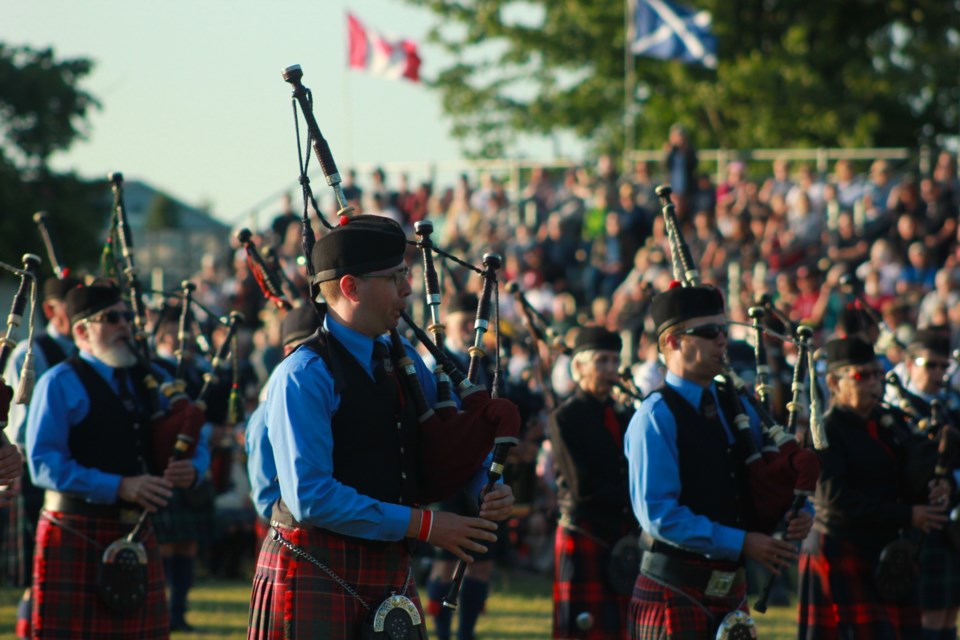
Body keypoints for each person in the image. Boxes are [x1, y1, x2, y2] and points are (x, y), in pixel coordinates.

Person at [247, 215, 516, 639]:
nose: (408, 289)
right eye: (394, 278)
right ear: (351, 287)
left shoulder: (402, 358)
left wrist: (484, 481)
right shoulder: (304, 375)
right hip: (315, 564)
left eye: (406, 274)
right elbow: (311, 499)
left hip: (388, 565)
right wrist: (424, 525)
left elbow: (438, 435)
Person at [624, 284, 812, 639]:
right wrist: (742, 542)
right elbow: (658, 514)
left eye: (724, 330)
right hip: (673, 589)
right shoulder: (654, 417)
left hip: (731, 593)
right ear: (672, 342)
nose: (722, 340)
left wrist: (796, 512)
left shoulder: (739, 408)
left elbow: (764, 481)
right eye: (709, 332)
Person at [26, 281, 209, 638]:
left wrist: (193, 468)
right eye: (111, 318)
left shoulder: (153, 379)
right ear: (81, 330)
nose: (124, 325)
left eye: (125, 316)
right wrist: (120, 486)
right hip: (76, 527)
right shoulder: (59, 383)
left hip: (136, 530)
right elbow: (44, 463)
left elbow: (194, 434)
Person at [797, 335, 949, 639]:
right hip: (842, 549)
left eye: (877, 373)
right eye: (861, 375)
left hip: (887, 552)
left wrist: (935, 487)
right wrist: (908, 515)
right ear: (834, 383)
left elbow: (907, 479)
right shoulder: (825, 431)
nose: (873, 382)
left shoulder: (889, 422)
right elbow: (835, 500)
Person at [1, 276, 79, 639]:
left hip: (76, 474)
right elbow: (16, 429)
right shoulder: (32, 353)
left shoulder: (87, 352)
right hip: (35, 474)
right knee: (41, 571)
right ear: (50, 309)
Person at [549, 326, 637, 639]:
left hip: (620, 534)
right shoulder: (565, 417)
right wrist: (635, 500)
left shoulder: (626, 416)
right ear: (579, 367)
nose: (611, 369)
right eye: (602, 361)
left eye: (615, 361)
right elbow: (581, 486)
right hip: (584, 531)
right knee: (583, 629)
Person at [424, 292, 497, 640]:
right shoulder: (432, 364)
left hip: (484, 474)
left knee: (481, 562)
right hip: (448, 473)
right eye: (463, 319)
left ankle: (466, 633)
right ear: (445, 322)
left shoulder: (488, 363)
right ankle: (441, 632)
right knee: (445, 560)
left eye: (475, 319)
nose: (472, 326)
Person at [896, 329, 960, 640]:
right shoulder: (896, 412)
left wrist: (953, 484)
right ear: (909, 364)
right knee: (928, 618)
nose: (937, 373)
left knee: (950, 613)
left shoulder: (953, 408)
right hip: (915, 523)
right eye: (929, 364)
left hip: (952, 524)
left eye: (943, 366)